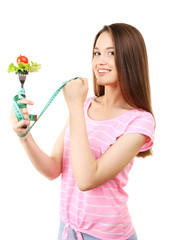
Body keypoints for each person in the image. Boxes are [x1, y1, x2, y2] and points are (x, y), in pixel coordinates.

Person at [10, 23, 155, 240]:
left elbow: (87, 179)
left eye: (111, 52)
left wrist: (75, 107)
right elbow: (53, 169)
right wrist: (24, 136)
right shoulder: (85, 105)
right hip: (68, 230)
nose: (100, 61)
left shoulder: (140, 121)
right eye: (96, 52)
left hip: (108, 235)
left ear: (130, 58)